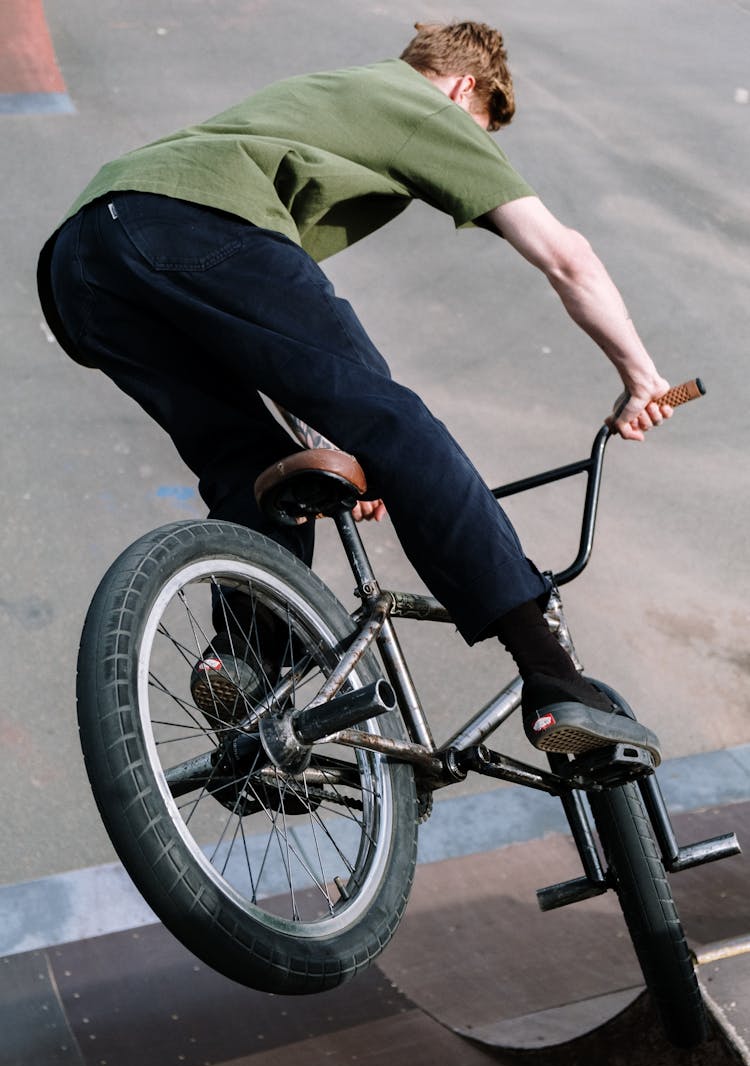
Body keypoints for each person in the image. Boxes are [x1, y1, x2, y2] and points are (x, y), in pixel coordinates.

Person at [38, 19, 672, 757]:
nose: (476, 151)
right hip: (192, 223)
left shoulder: (334, 97)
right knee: (395, 424)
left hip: (83, 263)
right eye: (482, 133)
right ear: (465, 88)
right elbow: (567, 257)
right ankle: (553, 675)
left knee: (255, 468)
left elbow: (269, 332)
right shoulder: (425, 103)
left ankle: (243, 676)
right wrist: (641, 375)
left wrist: (328, 436)